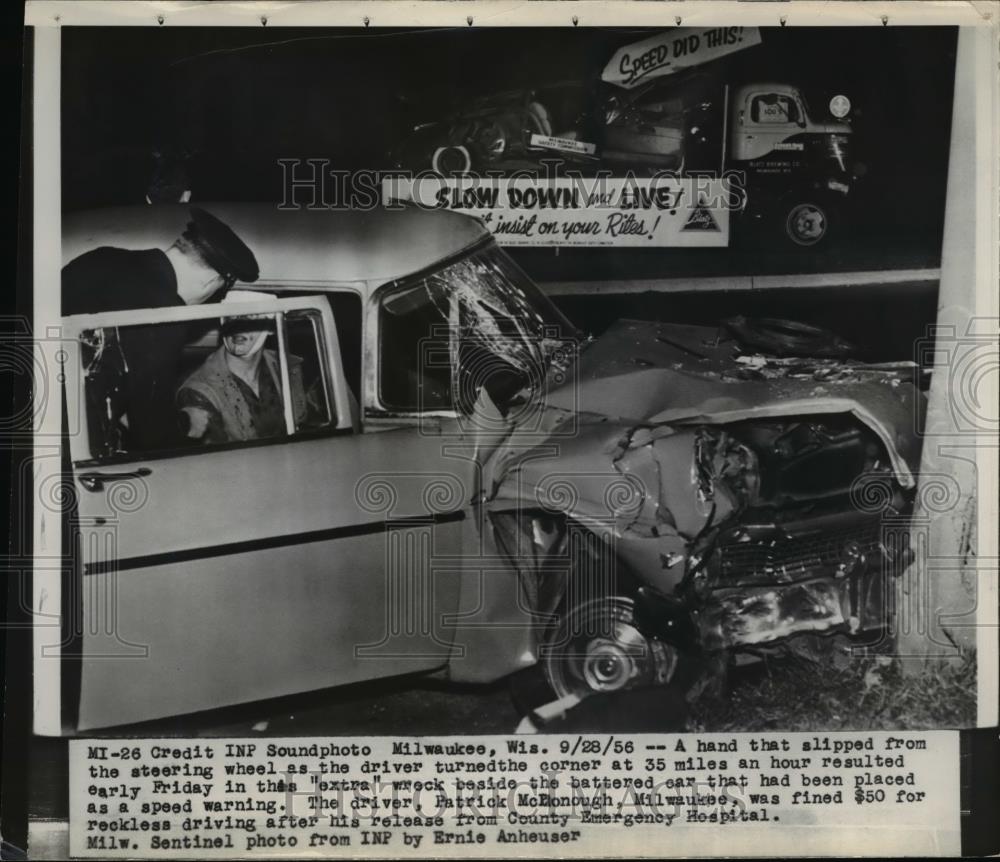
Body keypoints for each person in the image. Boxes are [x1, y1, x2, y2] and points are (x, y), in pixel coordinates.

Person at [62, 207, 259, 451]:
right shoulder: (163, 316)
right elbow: (151, 433)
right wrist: (187, 422)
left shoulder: (100, 257)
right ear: (211, 283)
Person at [176, 311, 311, 445]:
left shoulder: (290, 368)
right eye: (232, 315)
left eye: (251, 315)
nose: (238, 325)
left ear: (270, 328)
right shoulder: (198, 392)